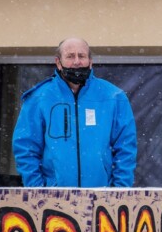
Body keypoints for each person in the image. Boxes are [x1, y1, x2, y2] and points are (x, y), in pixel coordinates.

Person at [12, 38, 137, 187]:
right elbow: (26, 149)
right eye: (70, 56)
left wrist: (118, 192)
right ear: (58, 62)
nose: (77, 61)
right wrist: (39, 191)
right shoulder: (39, 98)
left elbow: (126, 148)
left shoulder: (114, 97)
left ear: (90, 61)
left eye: (81, 56)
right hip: (53, 197)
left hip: (102, 197)